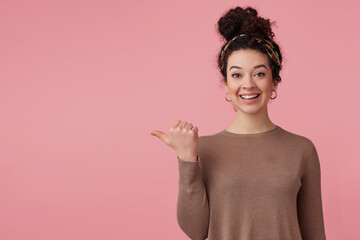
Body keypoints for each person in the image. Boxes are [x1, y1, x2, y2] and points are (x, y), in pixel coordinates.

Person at [151, 6, 326, 240]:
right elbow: (195, 231)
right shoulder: (202, 149)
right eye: (236, 75)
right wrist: (186, 160)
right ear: (225, 84)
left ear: (274, 82)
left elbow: (315, 234)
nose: (248, 84)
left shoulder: (302, 149)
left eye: (259, 73)